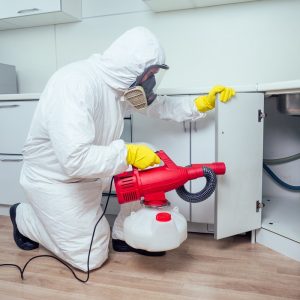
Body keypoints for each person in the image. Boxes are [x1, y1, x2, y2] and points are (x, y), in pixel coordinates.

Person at [9, 26, 235, 271]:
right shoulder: (74, 84)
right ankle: (24, 217)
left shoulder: (121, 86)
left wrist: (200, 104)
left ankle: (124, 234)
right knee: (89, 257)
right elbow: (73, 159)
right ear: (133, 68)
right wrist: (127, 153)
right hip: (56, 179)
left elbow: (158, 106)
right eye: (150, 74)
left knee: (153, 162)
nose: (152, 81)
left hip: (95, 168)